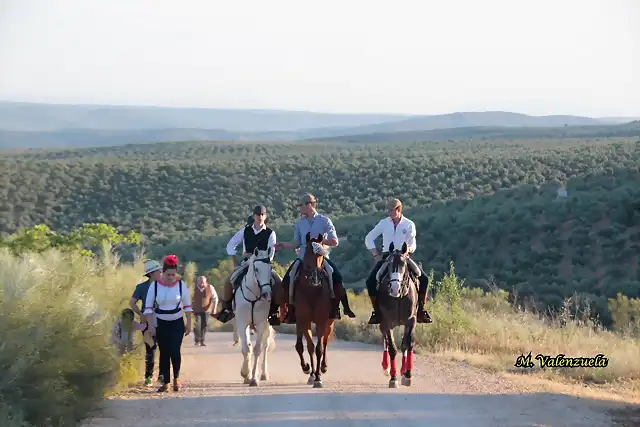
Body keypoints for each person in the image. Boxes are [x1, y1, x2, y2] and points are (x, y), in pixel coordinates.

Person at [275, 193, 356, 323]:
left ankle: (340, 308)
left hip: (321, 258)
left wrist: (320, 242)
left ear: (309, 205)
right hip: (303, 258)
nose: (300, 209)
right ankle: (289, 311)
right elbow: (296, 243)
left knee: (336, 278)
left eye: (301, 206)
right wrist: (283, 244)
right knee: (287, 280)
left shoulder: (325, 221)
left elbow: (335, 241)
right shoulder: (299, 224)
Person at [364, 198, 433, 325]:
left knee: (424, 279)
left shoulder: (409, 224)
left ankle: (421, 310)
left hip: (403, 257)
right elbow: (369, 238)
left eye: (392, 210)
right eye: (388, 210)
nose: (389, 213)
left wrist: (407, 251)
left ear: (399, 209)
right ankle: (377, 312)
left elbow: (413, 244)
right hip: (387, 256)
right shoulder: (384, 223)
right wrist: (375, 254)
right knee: (370, 282)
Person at [214, 205, 282, 325]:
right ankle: (228, 309)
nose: (260, 217)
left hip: (263, 264)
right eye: (257, 214)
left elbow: (271, 253)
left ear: (265, 216)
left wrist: (261, 257)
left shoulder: (271, 233)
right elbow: (231, 245)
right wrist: (236, 256)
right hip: (247, 263)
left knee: (278, 282)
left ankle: (274, 311)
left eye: (262, 214)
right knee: (228, 280)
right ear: (253, 216)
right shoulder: (245, 231)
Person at [144, 254, 193, 393]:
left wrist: (188, 323)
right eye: (168, 274)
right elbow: (148, 308)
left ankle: (176, 379)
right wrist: (151, 326)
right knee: (164, 352)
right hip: (161, 323)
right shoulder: (154, 286)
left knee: (175, 351)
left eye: (173, 274)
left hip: (177, 322)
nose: (171, 277)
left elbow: (187, 306)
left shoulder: (181, 285)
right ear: (162, 273)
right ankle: (166, 382)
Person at [130, 259, 162, 387]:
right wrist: (141, 315)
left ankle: (161, 376)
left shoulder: (164, 285)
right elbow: (132, 303)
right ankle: (149, 377)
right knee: (151, 349)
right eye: (159, 271)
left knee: (162, 349)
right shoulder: (142, 287)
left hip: (162, 320)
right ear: (153, 272)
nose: (161, 272)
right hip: (149, 321)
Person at [192, 275, 218, 346]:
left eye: (203, 282)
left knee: (204, 325)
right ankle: (197, 340)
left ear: (206, 282)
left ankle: (202, 341)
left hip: (206, 310)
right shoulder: (193, 288)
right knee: (196, 324)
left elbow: (215, 298)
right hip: (195, 310)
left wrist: (214, 309)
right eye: (200, 282)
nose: (201, 284)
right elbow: (188, 298)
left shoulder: (210, 287)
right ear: (197, 282)